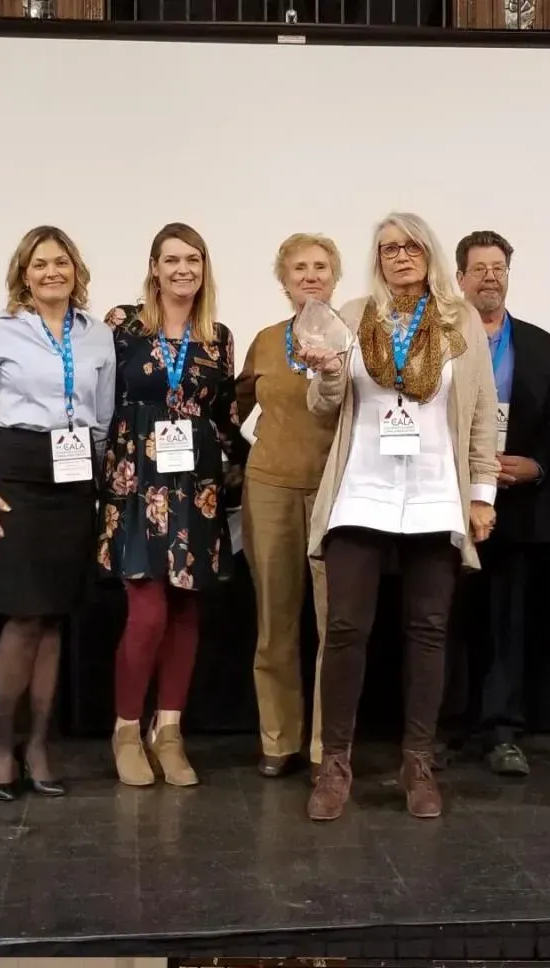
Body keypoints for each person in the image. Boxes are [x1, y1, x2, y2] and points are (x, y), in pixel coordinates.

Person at [299, 211, 500, 823]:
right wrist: (329, 373)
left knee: (429, 632)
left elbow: (482, 411)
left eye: (411, 246)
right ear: (377, 258)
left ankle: (417, 761)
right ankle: (335, 763)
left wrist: (483, 492)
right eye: (388, 248)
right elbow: (322, 406)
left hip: (436, 491)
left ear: (429, 253)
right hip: (362, 488)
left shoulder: (457, 317)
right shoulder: (353, 316)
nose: (400, 256)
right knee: (345, 630)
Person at [0, 226, 114, 801]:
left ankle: (40, 744)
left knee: (54, 617)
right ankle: (0, 743)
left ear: (76, 270)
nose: (51, 272)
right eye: (40, 264)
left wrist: (95, 485)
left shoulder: (97, 336)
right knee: (22, 615)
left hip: (72, 480)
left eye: (61, 262)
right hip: (14, 473)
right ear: (24, 273)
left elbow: (102, 420)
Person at [98, 221, 244, 790]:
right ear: (154, 267)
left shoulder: (218, 336)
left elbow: (225, 417)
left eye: (194, 260)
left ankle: (171, 732)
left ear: (205, 269)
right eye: (172, 259)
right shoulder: (123, 325)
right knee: (148, 612)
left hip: (196, 489)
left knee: (186, 613)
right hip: (136, 484)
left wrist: (261, 457)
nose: (183, 269)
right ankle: (127, 729)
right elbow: (101, 399)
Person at [449, 230, 550, 778]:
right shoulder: (438, 342)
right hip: (450, 504)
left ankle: (502, 732)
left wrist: (537, 465)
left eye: (499, 268)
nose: (490, 277)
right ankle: (450, 728)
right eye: (479, 269)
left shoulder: (543, 345)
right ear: (459, 279)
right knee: (448, 621)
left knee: (509, 622)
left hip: (518, 505)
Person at [236, 233, 342, 777]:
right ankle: (278, 741)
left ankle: (328, 748)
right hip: (270, 487)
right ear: (283, 280)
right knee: (275, 622)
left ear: (335, 276)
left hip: (335, 490)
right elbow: (232, 410)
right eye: (299, 267)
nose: (310, 275)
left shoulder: (357, 337)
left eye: (320, 266)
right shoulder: (262, 341)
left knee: (333, 626)